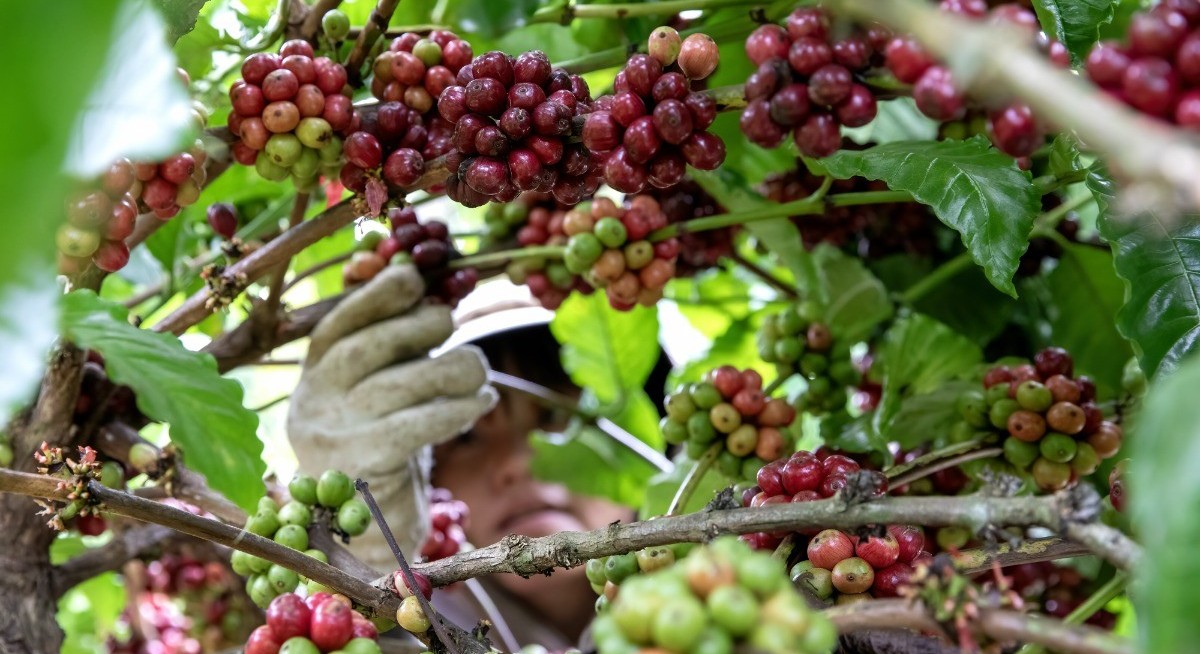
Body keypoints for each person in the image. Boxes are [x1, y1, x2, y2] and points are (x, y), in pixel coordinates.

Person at [287, 265, 670, 651]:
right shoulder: (410, 622)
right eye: (466, 437)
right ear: (429, 477)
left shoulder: (708, 572)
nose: (515, 465)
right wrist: (363, 560)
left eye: (555, 417)